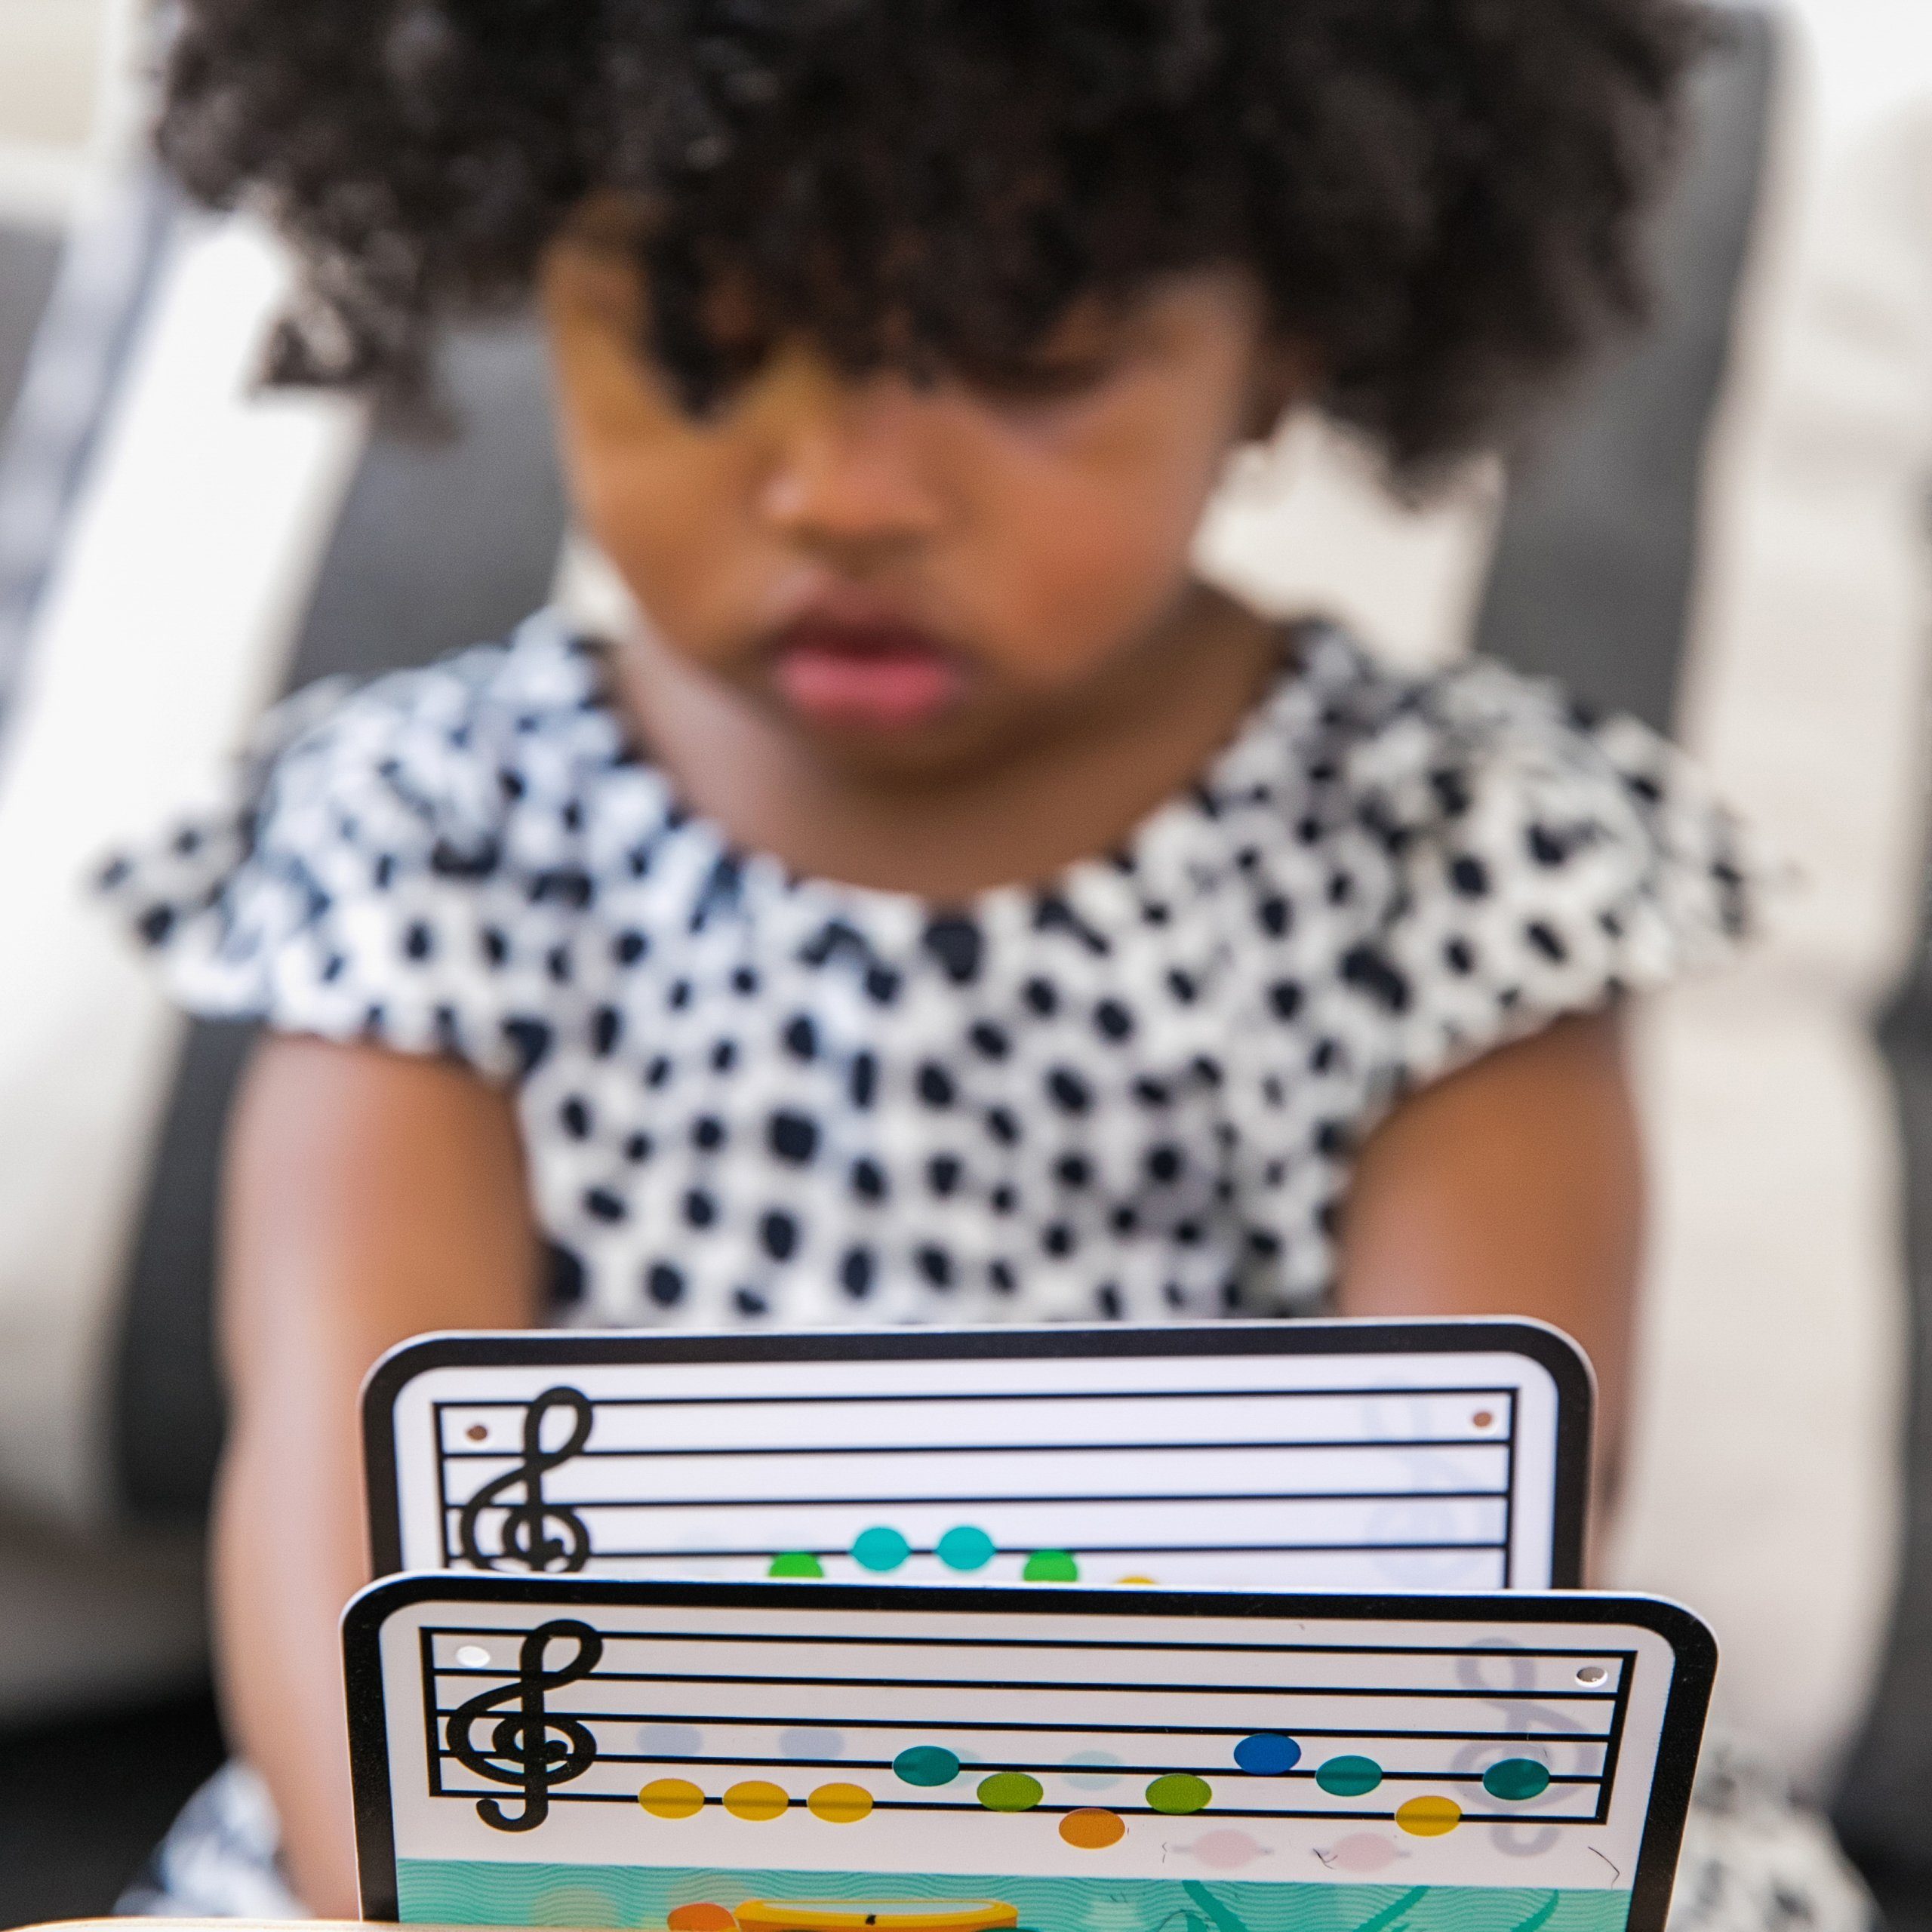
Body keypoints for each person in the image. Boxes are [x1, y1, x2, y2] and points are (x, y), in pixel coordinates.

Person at [103, 2, 1869, 1926]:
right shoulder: (428, 821)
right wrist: (437, 1883)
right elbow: (339, 1502)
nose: (850, 490)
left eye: (1025, 357)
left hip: (1263, 1847)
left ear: (1281, 339)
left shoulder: (1456, 855)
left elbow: (1472, 1557)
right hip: (566, 1848)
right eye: (707, 344)